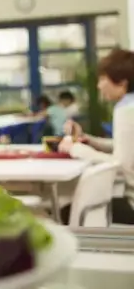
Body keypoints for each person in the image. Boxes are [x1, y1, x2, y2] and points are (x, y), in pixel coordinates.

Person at [60, 48, 134, 224]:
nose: (99, 86)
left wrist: (76, 149)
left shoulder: (126, 110)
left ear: (122, 83)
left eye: (103, 79)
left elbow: (122, 164)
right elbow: (127, 147)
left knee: (66, 211)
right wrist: (89, 140)